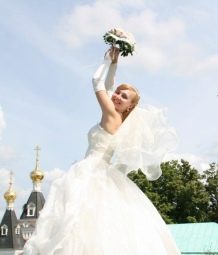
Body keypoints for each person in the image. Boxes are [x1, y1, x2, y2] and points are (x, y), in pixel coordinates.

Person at [23, 47, 180, 255]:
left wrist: (105, 61)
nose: (117, 97)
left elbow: (97, 83)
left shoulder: (112, 116)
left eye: (124, 97)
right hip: (100, 169)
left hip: (91, 169)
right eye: (118, 93)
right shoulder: (119, 118)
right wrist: (115, 63)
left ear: (129, 107)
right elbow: (108, 87)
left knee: (75, 219)